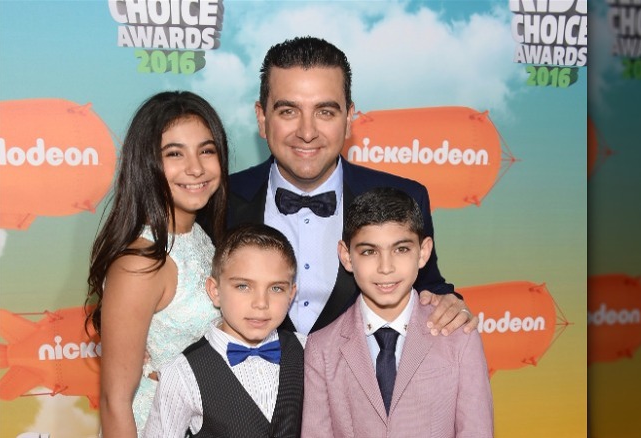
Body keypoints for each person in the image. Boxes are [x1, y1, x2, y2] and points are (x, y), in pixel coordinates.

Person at [228, 36, 477, 336]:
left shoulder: (407, 197)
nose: (307, 132)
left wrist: (450, 304)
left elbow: (428, 288)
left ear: (348, 119)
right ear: (262, 117)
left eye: (325, 112)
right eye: (288, 111)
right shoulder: (220, 200)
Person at [85, 91, 229, 437]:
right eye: (174, 154)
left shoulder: (202, 239)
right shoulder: (140, 263)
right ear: (146, 164)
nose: (195, 168)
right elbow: (114, 400)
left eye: (206, 150)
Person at [302, 187, 493, 437]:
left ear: (423, 252)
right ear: (347, 256)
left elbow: (476, 431)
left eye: (401, 249)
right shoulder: (321, 348)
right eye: (369, 251)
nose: (386, 268)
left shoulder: (459, 337)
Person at [143, 223, 305, 438]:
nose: (261, 303)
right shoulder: (182, 373)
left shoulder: (310, 350)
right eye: (243, 286)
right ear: (215, 291)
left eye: (276, 288)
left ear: (291, 294)